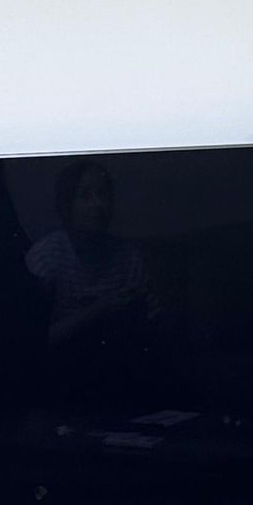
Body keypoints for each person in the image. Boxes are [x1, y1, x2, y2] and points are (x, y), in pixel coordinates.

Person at [26, 161, 156, 397]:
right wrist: (99, 309)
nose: (97, 205)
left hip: (118, 368)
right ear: (67, 205)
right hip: (61, 373)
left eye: (102, 194)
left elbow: (146, 327)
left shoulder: (127, 255)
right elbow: (33, 340)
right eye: (85, 196)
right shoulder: (46, 257)